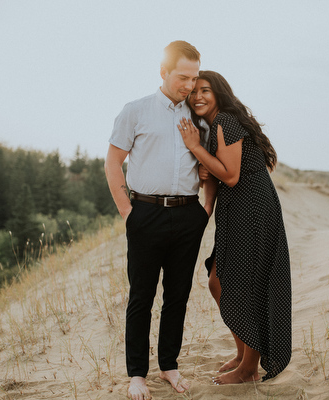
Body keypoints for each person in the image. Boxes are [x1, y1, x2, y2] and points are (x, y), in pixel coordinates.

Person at [105, 41, 215, 400]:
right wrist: (127, 212)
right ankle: (137, 374)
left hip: (188, 214)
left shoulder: (198, 116)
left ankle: (169, 364)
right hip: (145, 213)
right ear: (164, 72)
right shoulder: (135, 111)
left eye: (194, 77)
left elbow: (209, 165)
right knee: (141, 296)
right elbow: (112, 162)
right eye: (183, 77)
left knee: (178, 295)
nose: (189, 85)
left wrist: (203, 210)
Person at [177, 70, 291, 384]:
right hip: (236, 209)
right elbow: (219, 176)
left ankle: (250, 369)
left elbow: (231, 175)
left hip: (251, 208)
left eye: (205, 90)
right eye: (193, 91)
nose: (197, 96)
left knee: (244, 284)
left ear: (219, 93)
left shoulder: (225, 121)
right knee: (218, 280)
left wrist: (195, 147)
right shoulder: (215, 125)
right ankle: (244, 353)